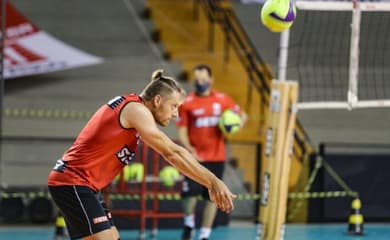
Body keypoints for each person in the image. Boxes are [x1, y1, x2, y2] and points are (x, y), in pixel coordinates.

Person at [48, 69, 236, 240]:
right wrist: (213, 181)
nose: (176, 114)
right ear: (157, 101)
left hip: (83, 185)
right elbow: (172, 153)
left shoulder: (135, 107)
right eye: (174, 106)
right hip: (73, 182)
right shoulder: (136, 110)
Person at [176, 64, 247, 240]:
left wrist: (236, 126)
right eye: (197, 80)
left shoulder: (222, 100)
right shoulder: (188, 102)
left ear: (211, 79)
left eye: (203, 79)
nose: (200, 83)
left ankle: (204, 235)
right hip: (194, 157)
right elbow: (182, 129)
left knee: (212, 197)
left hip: (216, 157)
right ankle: (189, 223)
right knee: (189, 194)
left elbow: (242, 115)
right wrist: (189, 149)